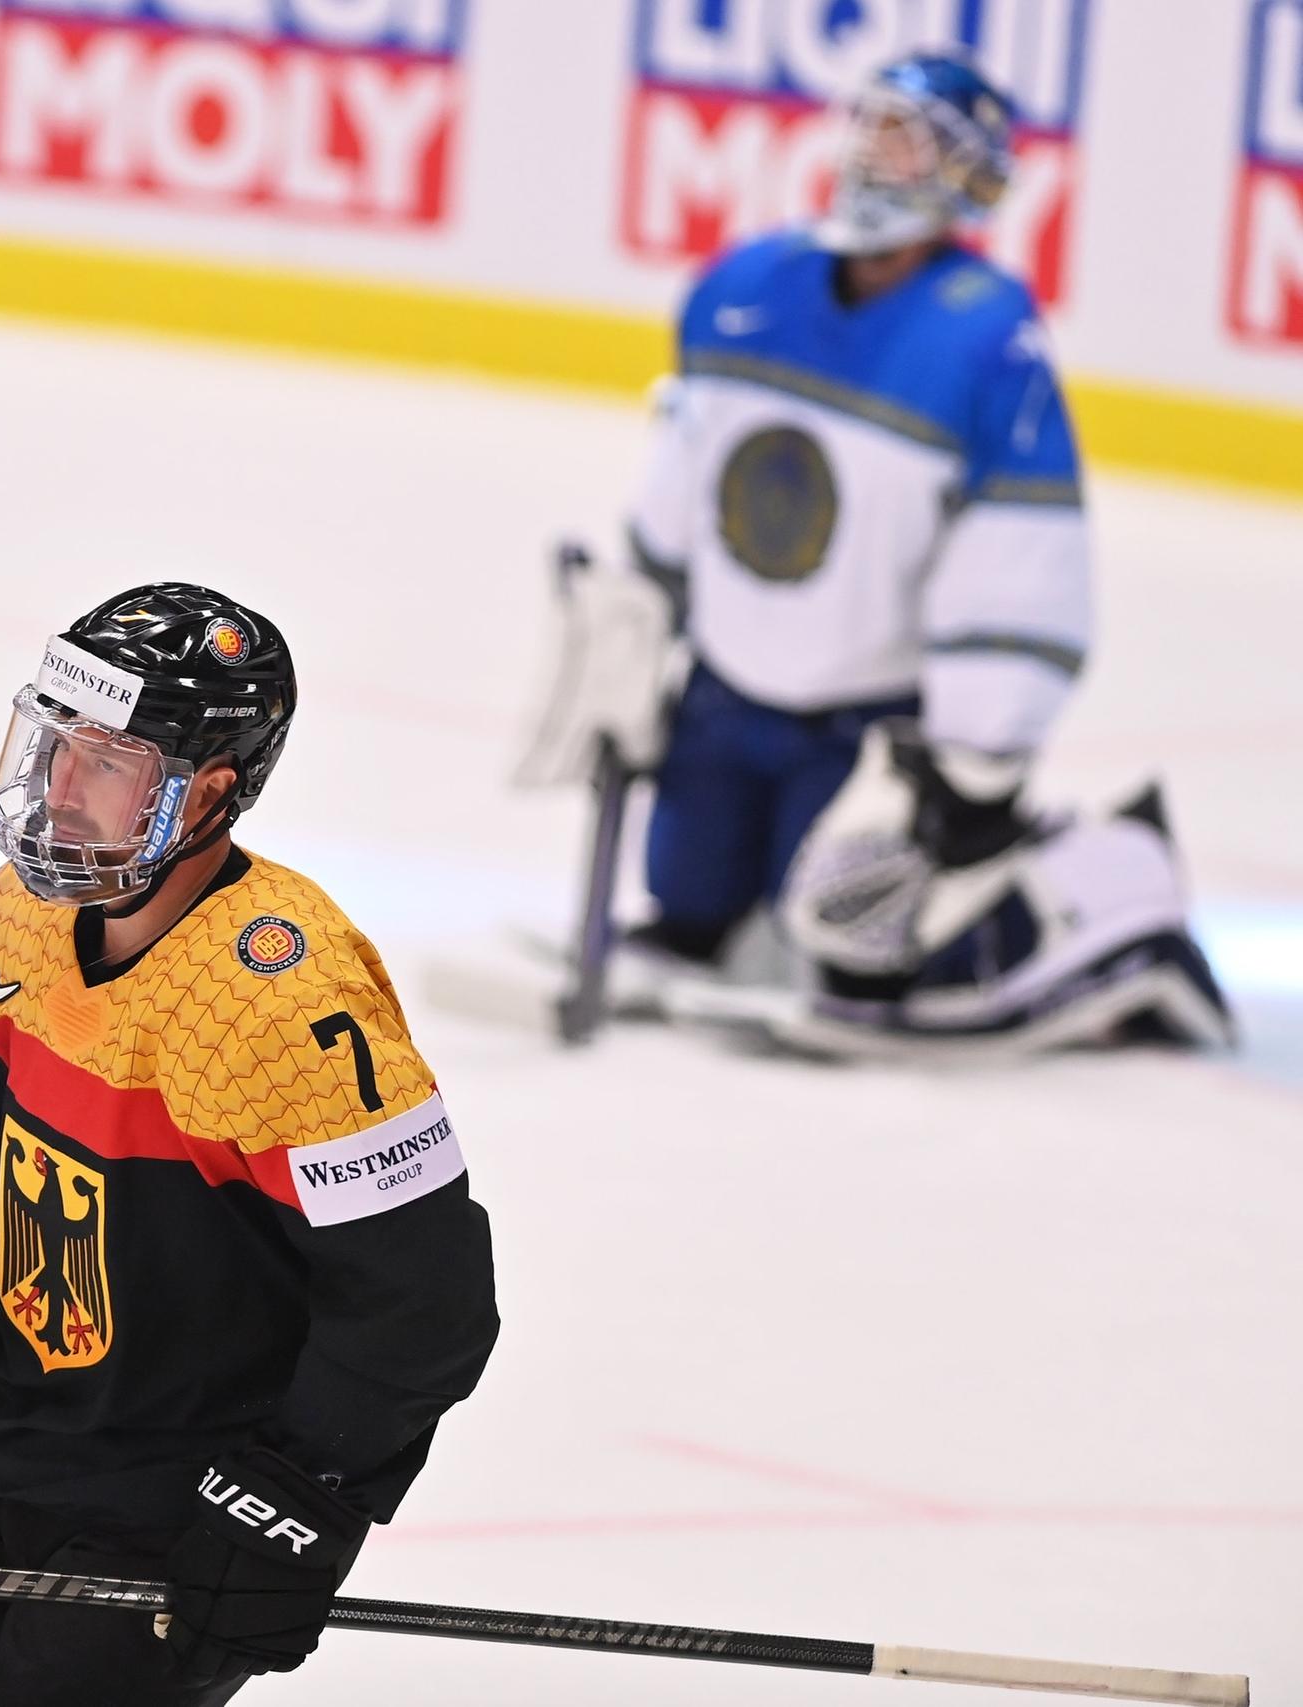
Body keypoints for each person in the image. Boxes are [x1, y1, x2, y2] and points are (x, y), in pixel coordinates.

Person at [0, 586, 499, 1706]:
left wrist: (298, 1495)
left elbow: (424, 1305)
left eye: (109, 764)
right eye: (53, 748)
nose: (58, 791)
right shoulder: (19, 916)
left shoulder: (285, 998)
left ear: (209, 795)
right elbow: (0, 1136)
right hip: (21, 1457)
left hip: (171, 1513)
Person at [524, 51, 1229, 1053]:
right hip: (724, 693)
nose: (878, 153)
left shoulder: (986, 337)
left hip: (865, 721)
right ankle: (712, 914)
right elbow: (687, 468)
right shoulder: (746, 285)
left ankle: (1110, 889)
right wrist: (635, 614)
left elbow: (1017, 547)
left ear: (973, 176)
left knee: (857, 942)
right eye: (873, 126)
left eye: (913, 138)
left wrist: (979, 750)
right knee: (688, 897)